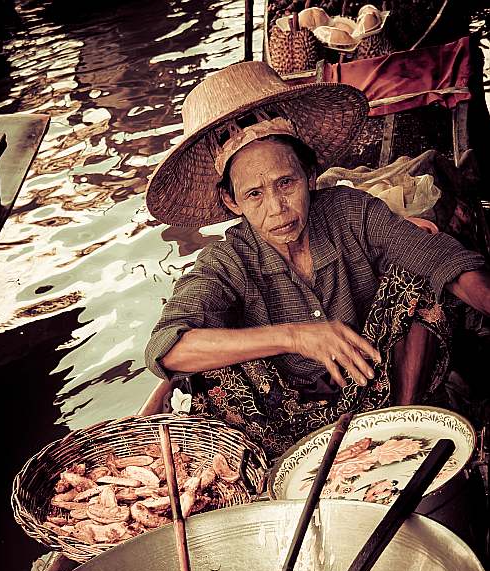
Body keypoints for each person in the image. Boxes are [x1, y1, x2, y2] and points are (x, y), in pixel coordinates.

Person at [143, 62, 490, 458]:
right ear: (231, 201)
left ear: (308, 174)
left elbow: (442, 260)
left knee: (419, 279)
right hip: (282, 426)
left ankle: (401, 421)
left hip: (375, 386)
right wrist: (295, 335)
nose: (277, 208)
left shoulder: (349, 211)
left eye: (285, 183)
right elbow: (165, 349)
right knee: (208, 369)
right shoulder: (228, 261)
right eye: (254, 194)